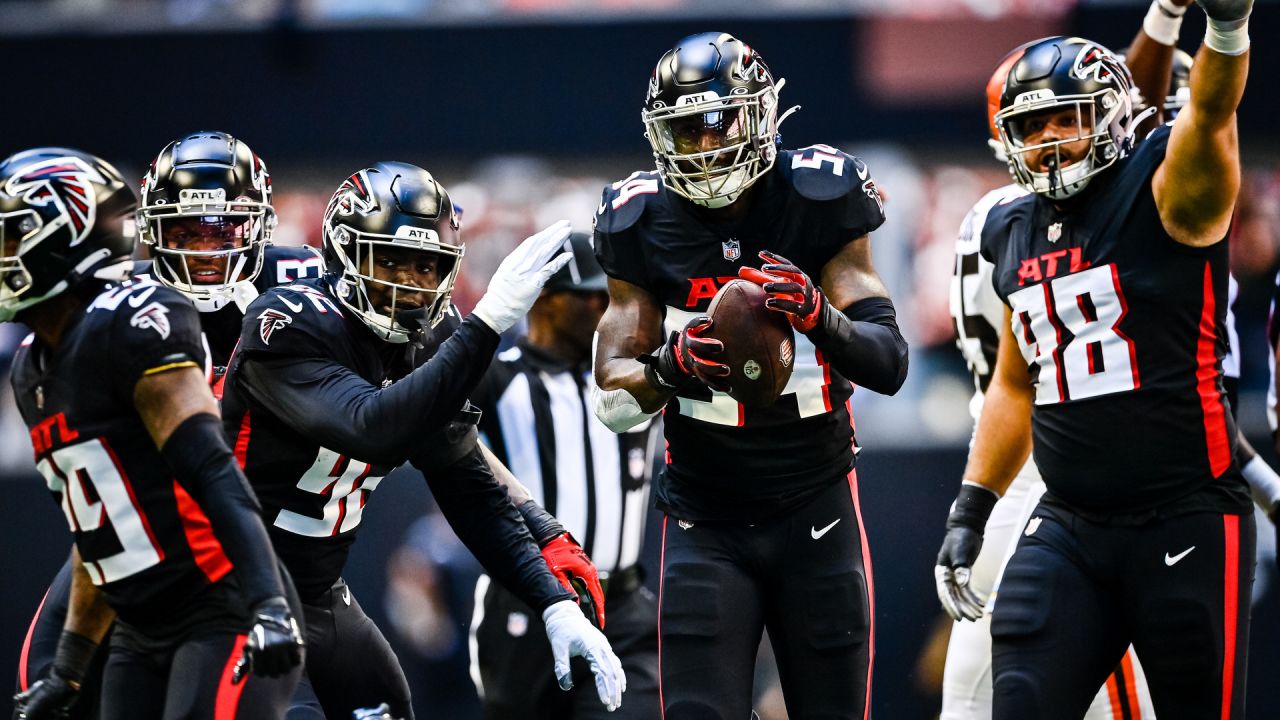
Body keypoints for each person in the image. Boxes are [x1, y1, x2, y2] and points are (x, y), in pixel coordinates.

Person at [934, 1, 1256, 713]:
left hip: (1182, 513)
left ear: (1111, 116)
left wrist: (1227, 31)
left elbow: (1207, 117)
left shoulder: (1164, 190)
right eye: (1029, 126)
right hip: (1069, 520)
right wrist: (971, 508)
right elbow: (1018, 381)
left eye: (1066, 119)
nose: (1048, 140)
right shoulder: (1013, 226)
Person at [219, 162, 626, 719]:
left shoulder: (433, 337)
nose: (406, 282)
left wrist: (553, 603)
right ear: (342, 250)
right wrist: (487, 325)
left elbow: (466, 484)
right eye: (388, 260)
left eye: (426, 266)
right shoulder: (293, 322)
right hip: (227, 590)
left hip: (318, 593)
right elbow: (374, 427)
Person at [592, 32, 908, 719]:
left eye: (716, 122)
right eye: (684, 129)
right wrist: (668, 370)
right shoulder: (639, 218)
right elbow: (611, 403)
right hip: (705, 518)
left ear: (760, 113)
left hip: (815, 504)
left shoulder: (818, 194)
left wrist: (823, 317)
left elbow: (889, 364)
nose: (703, 147)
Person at [14, 130, 326, 717]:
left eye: (223, 230)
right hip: (142, 539)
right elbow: (99, 510)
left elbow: (215, 469)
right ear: (152, 232)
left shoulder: (299, 286)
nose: (206, 251)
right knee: (43, 672)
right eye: (186, 231)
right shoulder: (85, 330)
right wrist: (69, 666)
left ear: (257, 226)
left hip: (245, 536)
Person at [469, 232, 662, 719]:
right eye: (595, 297)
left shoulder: (641, 375)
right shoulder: (495, 377)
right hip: (527, 603)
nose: (611, 309)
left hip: (621, 607)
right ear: (547, 301)